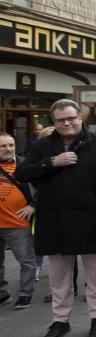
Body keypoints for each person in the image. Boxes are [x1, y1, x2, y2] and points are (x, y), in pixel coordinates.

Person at [17, 99, 96, 337]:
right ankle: (60, 321)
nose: (66, 123)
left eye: (71, 118)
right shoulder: (43, 145)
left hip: (90, 219)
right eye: (60, 120)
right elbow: (22, 173)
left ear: (80, 118)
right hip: (54, 219)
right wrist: (51, 163)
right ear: (53, 122)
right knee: (58, 276)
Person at [0, 133, 37, 310]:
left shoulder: (24, 164)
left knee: (27, 261)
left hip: (17, 224)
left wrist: (33, 205)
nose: (8, 149)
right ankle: (2, 293)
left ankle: (25, 294)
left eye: (11, 145)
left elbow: (43, 186)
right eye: (3, 146)